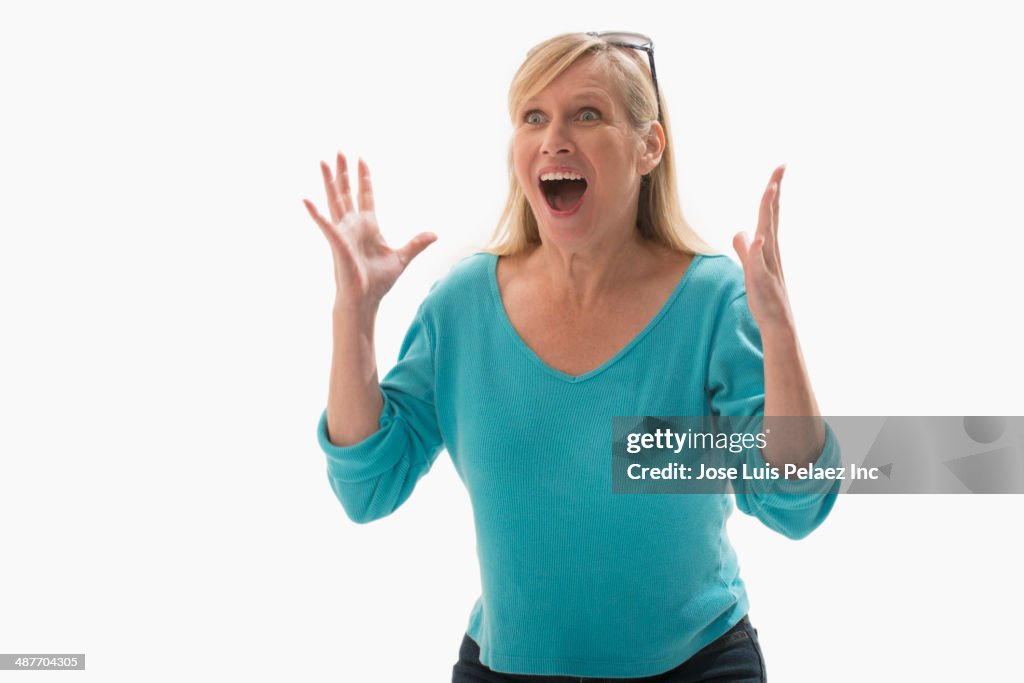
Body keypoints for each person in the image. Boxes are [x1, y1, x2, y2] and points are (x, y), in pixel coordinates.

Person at [303, 31, 840, 682]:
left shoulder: (713, 299)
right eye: (534, 117)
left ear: (649, 146)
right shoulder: (462, 305)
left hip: (697, 666)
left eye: (587, 114)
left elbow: (794, 501)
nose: (554, 137)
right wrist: (353, 319)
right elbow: (367, 486)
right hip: (506, 667)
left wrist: (780, 333)